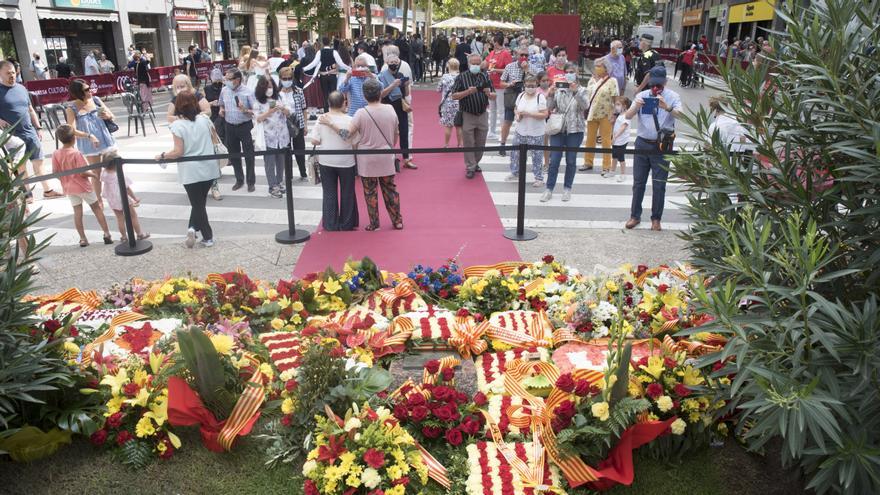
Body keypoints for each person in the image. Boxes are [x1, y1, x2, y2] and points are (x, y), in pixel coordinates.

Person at [319, 79, 403, 231]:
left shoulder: (361, 113)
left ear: (364, 96)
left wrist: (331, 124)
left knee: (370, 192)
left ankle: (374, 223)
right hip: (386, 154)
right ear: (380, 93)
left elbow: (346, 135)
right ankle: (397, 220)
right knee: (390, 189)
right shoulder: (390, 109)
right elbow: (396, 133)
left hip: (366, 158)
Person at [158, 90, 222, 248]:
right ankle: (193, 228)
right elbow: (215, 139)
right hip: (208, 167)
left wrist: (162, 155)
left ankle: (208, 236)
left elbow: (178, 151)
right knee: (199, 203)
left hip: (190, 171)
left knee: (197, 204)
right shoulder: (204, 120)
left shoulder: (177, 125)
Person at [624, 66, 682, 231]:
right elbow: (627, 116)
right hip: (642, 143)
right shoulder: (642, 95)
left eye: (659, 84)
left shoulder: (673, 96)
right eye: (653, 83)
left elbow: (682, 115)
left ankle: (656, 219)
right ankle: (635, 216)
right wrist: (636, 107)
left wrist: (667, 107)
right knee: (638, 182)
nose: (655, 87)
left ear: (665, 81)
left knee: (659, 184)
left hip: (662, 145)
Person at [0, 61, 61, 200]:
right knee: (21, 167)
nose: (12, 75)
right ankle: (27, 194)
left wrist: (38, 127)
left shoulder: (21, 89)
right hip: (12, 136)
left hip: (30, 132)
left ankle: (48, 190)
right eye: (8, 73)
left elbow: (31, 110)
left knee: (38, 162)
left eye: (13, 72)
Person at [52, 124, 112, 247]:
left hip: (69, 188)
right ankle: (106, 234)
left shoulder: (56, 153)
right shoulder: (76, 153)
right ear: (74, 138)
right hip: (83, 186)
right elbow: (83, 172)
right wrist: (94, 175)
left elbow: (55, 172)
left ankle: (83, 238)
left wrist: (64, 180)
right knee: (96, 208)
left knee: (77, 213)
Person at [308, 91, 358, 231]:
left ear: (328, 104)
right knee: (347, 192)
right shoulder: (350, 120)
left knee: (329, 192)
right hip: (346, 160)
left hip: (326, 160)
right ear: (343, 103)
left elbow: (314, 140)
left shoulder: (321, 119)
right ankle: (347, 223)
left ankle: (330, 223)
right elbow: (354, 141)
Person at [541, 64, 590, 203]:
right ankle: (549, 189)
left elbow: (585, 106)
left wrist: (576, 92)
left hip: (575, 130)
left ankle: (567, 188)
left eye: (571, 72)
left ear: (576, 74)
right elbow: (550, 108)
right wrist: (550, 95)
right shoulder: (559, 89)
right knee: (554, 160)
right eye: (566, 72)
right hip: (558, 129)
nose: (568, 74)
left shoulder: (582, 90)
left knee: (571, 160)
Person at [65, 79, 116, 200]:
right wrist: (89, 136)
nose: (90, 91)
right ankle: (98, 201)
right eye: (86, 90)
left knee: (114, 169)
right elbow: (71, 130)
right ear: (78, 93)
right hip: (89, 145)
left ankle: (120, 196)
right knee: (96, 174)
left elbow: (112, 115)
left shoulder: (96, 100)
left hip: (106, 140)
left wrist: (108, 116)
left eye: (90, 88)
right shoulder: (71, 108)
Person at [452, 53, 495, 179]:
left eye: (478, 63)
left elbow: (493, 96)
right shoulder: (461, 77)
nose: (475, 66)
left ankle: (475, 162)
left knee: (481, 143)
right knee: (469, 142)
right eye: (473, 63)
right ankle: (470, 166)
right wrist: (467, 92)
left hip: (482, 113)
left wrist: (489, 93)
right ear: (469, 63)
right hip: (468, 114)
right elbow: (454, 95)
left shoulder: (485, 76)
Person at [219, 68, 257, 192]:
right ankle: (239, 180)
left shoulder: (248, 91)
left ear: (237, 80)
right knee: (234, 155)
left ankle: (250, 182)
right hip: (229, 126)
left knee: (249, 155)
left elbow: (256, 111)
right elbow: (221, 103)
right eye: (226, 79)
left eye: (229, 79)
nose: (226, 81)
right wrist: (221, 109)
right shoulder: (224, 90)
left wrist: (245, 109)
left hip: (245, 126)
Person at [506, 74, 548, 187]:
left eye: (532, 85)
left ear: (536, 85)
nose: (530, 88)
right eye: (528, 85)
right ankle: (515, 172)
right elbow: (516, 108)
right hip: (521, 130)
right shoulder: (521, 95)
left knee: (537, 155)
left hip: (536, 132)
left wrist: (530, 114)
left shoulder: (540, 97)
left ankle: (539, 177)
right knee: (515, 153)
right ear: (524, 85)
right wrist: (517, 114)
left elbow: (544, 114)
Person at [253, 76, 290, 197]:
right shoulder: (258, 102)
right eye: (267, 87)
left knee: (281, 162)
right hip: (268, 137)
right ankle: (272, 186)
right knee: (269, 163)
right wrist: (270, 111)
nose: (270, 89)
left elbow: (288, 113)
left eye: (271, 87)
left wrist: (283, 109)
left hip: (282, 136)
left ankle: (279, 182)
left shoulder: (279, 97)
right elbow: (258, 118)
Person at [581, 57, 619, 174]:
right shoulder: (592, 80)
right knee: (590, 139)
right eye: (596, 66)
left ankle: (606, 165)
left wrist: (615, 114)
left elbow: (615, 99)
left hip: (606, 114)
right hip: (592, 113)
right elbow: (587, 95)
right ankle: (588, 162)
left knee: (606, 140)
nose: (597, 68)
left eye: (600, 66)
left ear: (606, 68)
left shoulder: (612, 81)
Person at [378, 54, 415, 169]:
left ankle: (406, 158)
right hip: (387, 107)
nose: (394, 64)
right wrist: (393, 85)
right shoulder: (381, 76)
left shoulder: (401, 75)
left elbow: (406, 94)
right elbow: (381, 94)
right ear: (387, 63)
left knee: (404, 132)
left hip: (400, 106)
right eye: (391, 62)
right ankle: (388, 157)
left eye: (396, 62)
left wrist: (405, 85)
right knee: (388, 133)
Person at [101, 159, 149, 243]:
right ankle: (139, 234)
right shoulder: (119, 174)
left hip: (112, 198)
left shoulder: (104, 173)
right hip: (122, 197)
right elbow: (127, 188)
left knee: (120, 218)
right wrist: (134, 198)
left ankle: (123, 237)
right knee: (133, 215)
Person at [302, 37, 351, 113]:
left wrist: (304, 68)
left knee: (325, 93)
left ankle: (326, 110)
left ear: (322, 43)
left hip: (323, 76)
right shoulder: (334, 52)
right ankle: (335, 109)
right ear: (330, 43)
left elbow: (314, 63)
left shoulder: (319, 52)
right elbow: (341, 63)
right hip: (332, 76)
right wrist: (349, 68)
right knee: (334, 93)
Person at [277, 66, 309, 182]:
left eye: (289, 78)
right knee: (286, 151)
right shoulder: (276, 93)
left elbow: (304, 108)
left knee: (300, 149)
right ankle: (288, 174)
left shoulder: (298, 91)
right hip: (282, 124)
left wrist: (305, 125)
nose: (287, 81)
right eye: (284, 78)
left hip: (297, 123)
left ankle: (303, 172)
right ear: (280, 79)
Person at [498, 47, 529, 156]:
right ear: (516, 55)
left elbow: (535, 83)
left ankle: (524, 146)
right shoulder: (509, 67)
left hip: (526, 98)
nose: (524, 57)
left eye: (526, 55)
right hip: (512, 96)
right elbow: (501, 83)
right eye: (521, 55)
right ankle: (502, 144)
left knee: (526, 123)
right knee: (508, 121)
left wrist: (526, 70)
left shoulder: (531, 68)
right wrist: (509, 84)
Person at [203, 69, 225, 200]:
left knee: (218, 143)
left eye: (219, 79)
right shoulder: (206, 90)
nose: (217, 81)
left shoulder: (225, 87)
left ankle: (215, 182)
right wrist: (212, 103)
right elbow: (203, 106)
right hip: (210, 118)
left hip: (222, 116)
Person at [485, 35, 512, 141]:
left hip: (500, 85)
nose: (492, 43)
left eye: (493, 41)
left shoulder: (505, 53)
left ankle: (503, 132)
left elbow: (509, 69)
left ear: (496, 42)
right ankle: (491, 131)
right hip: (491, 84)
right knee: (492, 109)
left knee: (501, 110)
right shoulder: (492, 53)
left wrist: (496, 70)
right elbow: (486, 63)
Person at [437, 58, 462, 148]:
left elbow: (438, 89)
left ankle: (446, 144)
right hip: (459, 103)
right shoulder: (461, 76)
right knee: (459, 125)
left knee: (448, 125)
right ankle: (460, 144)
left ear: (449, 66)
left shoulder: (445, 76)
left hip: (447, 103)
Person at [610, 96, 632, 182]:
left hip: (622, 140)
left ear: (625, 106)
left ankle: (623, 174)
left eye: (618, 104)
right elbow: (613, 124)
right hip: (616, 140)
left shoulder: (627, 115)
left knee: (621, 158)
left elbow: (623, 127)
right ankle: (612, 171)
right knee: (614, 156)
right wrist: (613, 118)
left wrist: (615, 137)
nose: (616, 106)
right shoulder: (619, 114)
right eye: (616, 104)